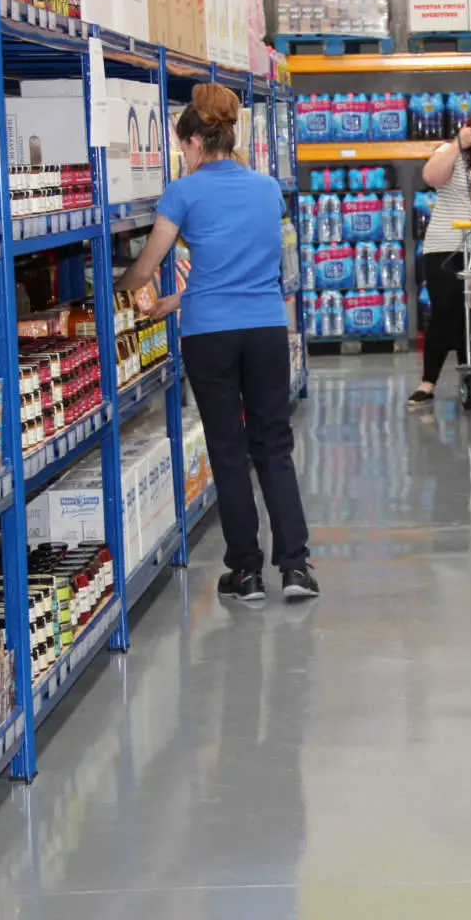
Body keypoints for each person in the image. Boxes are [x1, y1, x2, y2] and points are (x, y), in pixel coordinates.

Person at [117, 83, 318, 603]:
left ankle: (246, 573)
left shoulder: (182, 193)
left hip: (210, 336)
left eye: (182, 148)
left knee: (228, 449)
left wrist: (126, 287)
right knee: (273, 446)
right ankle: (295, 568)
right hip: (266, 330)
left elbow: (151, 263)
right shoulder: (267, 189)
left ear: (193, 143)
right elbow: (243, 266)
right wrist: (177, 300)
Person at [410, 105, 471, 408]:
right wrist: (459, 144)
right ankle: (427, 383)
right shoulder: (451, 151)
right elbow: (431, 176)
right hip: (444, 247)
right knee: (444, 313)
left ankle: (470, 376)